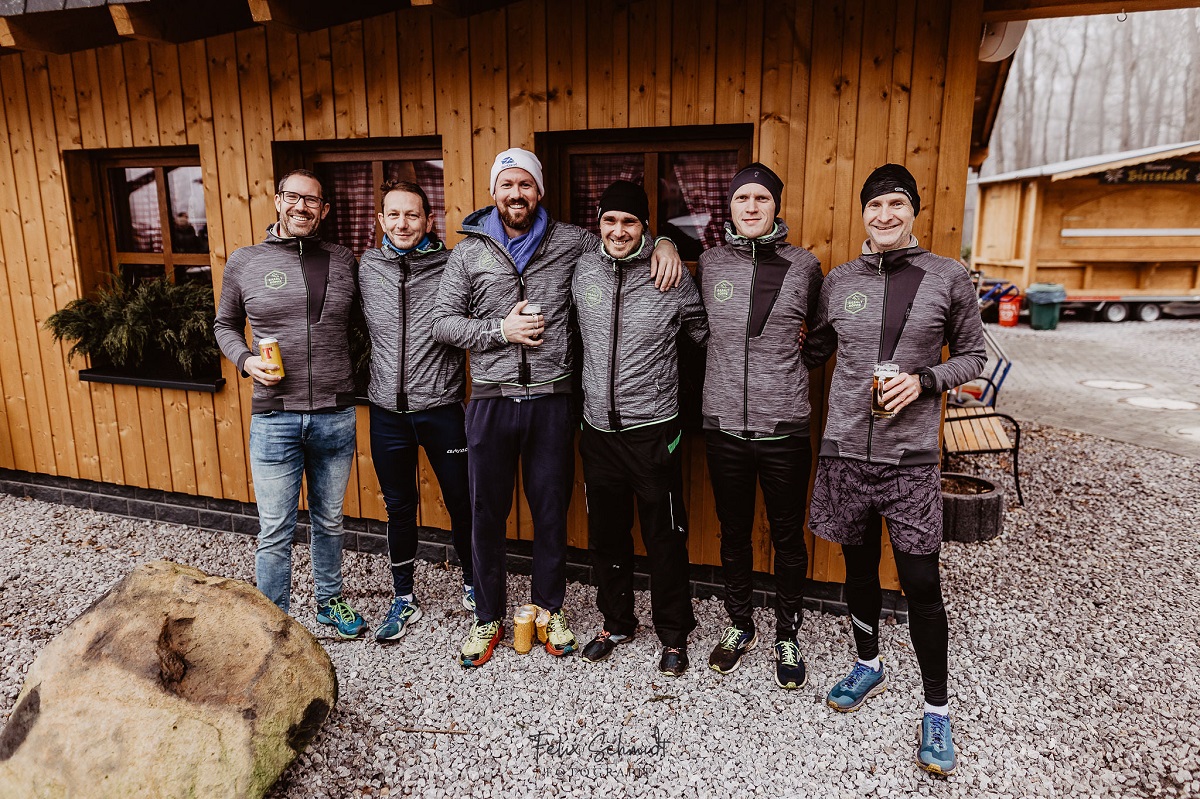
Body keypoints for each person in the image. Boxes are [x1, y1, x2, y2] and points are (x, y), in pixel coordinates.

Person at [431, 148, 682, 668]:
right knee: (486, 514)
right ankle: (488, 617)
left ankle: (549, 609)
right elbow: (443, 324)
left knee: (551, 513)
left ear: (539, 191)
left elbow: (624, 235)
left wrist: (665, 242)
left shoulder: (573, 242)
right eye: (507, 185)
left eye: (525, 184)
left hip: (552, 400)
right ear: (493, 192)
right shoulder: (468, 253)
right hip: (492, 400)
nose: (516, 194)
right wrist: (499, 331)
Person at [803, 163, 986, 775]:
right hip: (846, 452)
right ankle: (868, 663)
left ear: (913, 212)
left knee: (921, 585)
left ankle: (936, 710)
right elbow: (818, 346)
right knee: (856, 568)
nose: (884, 215)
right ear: (863, 213)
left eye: (896, 204)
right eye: (874, 205)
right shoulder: (839, 280)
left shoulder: (948, 278)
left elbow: (974, 357)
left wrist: (926, 380)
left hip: (910, 462)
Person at [213, 169, 367, 638]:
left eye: (312, 201)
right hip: (275, 416)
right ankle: (272, 622)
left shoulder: (342, 259)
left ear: (324, 211)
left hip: (335, 414)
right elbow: (224, 324)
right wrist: (244, 361)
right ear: (278, 201)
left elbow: (373, 319)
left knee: (329, 520)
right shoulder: (244, 261)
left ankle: (329, 602)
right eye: (293, 198)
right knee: (275, 528)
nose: (302, 207)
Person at [572, 181, 708, 677]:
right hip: (597, 431)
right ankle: (617, 621)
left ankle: (674, 634)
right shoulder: (583, 267)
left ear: (645, 227)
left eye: (630, 222)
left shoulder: (668, 274)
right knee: (607, 534)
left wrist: (671, 244)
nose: (619, 230)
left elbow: (702, 337)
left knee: (664, 536)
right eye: (610, 220)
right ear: (599, 223)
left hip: (654, 430)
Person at [698, 163, 823, 689]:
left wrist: (792, 366)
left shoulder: (804, 266)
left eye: (761, 199)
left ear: (776, 207)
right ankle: (739, 623)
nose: (751, 207)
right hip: (724, 426)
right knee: (733, 533)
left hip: (784, 428)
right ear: (729, 206)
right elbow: (694, 325)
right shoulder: (708, 263)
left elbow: (823, 331)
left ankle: (787, 632)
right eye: (742, 198)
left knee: (788, 536)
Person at [358, 179, 474, 643]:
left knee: (463, 504)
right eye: (394, 215)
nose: (403, 223)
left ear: (429, 220)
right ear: (380, 221)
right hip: (386, 411)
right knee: (399, 507)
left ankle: (473, 586)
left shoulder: (453, 265)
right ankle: (403, 598)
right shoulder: (366, 267)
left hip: (442, 407)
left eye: (413, 215)